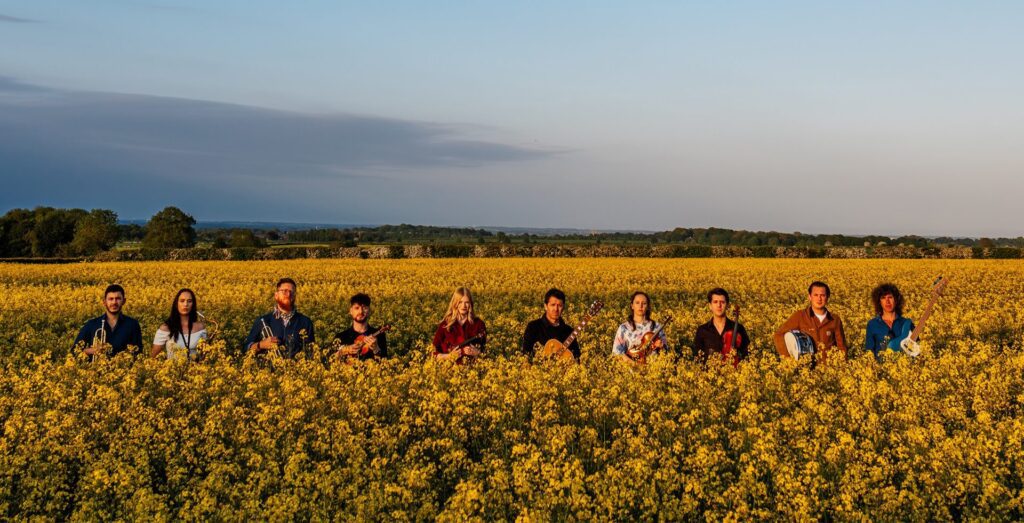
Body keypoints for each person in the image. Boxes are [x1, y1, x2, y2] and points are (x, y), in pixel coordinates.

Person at [774, 281, 848, 365]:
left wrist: (842, 367)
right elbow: (779, 335)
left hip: (829, 369)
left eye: (822, 295)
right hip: (806, 369)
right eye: (815, 295)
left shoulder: (835, 319)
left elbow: (842, 347)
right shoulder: (800, 316)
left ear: (827, 297)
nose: (819, 299)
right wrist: (788, 359)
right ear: (810, 297)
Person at [245, 278, 315, 358]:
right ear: (276, 295)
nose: (288, 294)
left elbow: (311, 353)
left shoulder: (305, 322)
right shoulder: (262, 321)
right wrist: (261, 345)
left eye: (291, 292)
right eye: (284, 291)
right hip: (268, 369)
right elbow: (246, 349)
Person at [73, 284, 143, 357]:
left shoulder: (132, 324)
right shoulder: (92, 324)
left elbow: (138, 352)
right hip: (96, 368)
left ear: (124, 301)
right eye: (110, 299)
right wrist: (92, 350)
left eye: (118, 298)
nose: (114, 302)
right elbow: (74, 351)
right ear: (104, 302)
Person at [693, 287, 750, 364]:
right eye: (715, 302)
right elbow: (697, 358)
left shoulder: (739, 328)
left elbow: (747, 355)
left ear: (727, 305)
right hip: (709, 374)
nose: (719, 305)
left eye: (722, 302)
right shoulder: (702, 330)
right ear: (710, 306)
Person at [521, 288, 579, 360]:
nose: (556, 309)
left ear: (563, 307)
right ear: (545, 306)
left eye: (559, 305)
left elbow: (576, 358)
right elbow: (525, 354)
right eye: (553, 305)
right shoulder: (533, 327)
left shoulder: (569, 331)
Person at [432, 287, 486, 363]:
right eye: (460, 302)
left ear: (470, 304)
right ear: (455, 303)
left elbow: (486, 353)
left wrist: (476, 353)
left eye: (466, 302)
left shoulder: (479, 324)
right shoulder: (445, 325)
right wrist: (449, 356)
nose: (463, 306)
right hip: (448, 371)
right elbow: (433, 353)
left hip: (473, 370)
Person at [612, 291, 668, 363]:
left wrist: (661, 346)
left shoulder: (656, 326)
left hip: (654, 369)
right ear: (632, 306)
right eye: (637, 303)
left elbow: (666, 353)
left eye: (644, 303)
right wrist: (635, 365)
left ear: (647, 307)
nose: (640, 306)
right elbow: (617, 353)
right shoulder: (624, 328)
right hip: (631, 370)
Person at [151, 288, 207, 359]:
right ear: (176, 304)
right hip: (173, 369)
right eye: (182, 301)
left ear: (193, 304)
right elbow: (153, 357)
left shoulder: (200, 327)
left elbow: (204, 356)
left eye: (189, 301)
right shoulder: (166, 328)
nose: (185, 304)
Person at [332, 293, 388, 361]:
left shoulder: (379, 336)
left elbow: (385, 363)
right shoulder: (341, 337)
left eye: (364, 308)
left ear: (369, 311)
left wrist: (376, 349)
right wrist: (343, 351)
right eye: (357, 308)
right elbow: (330, 361)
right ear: (351, 311)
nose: (361, 311)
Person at [864, 283, 915, 357]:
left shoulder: (907, 323)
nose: (887, 301)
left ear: (896, 300)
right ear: (879, 302)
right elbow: (869, 351)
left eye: (890, 297)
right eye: (883, 298)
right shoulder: (872, 324)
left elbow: (916, 349)